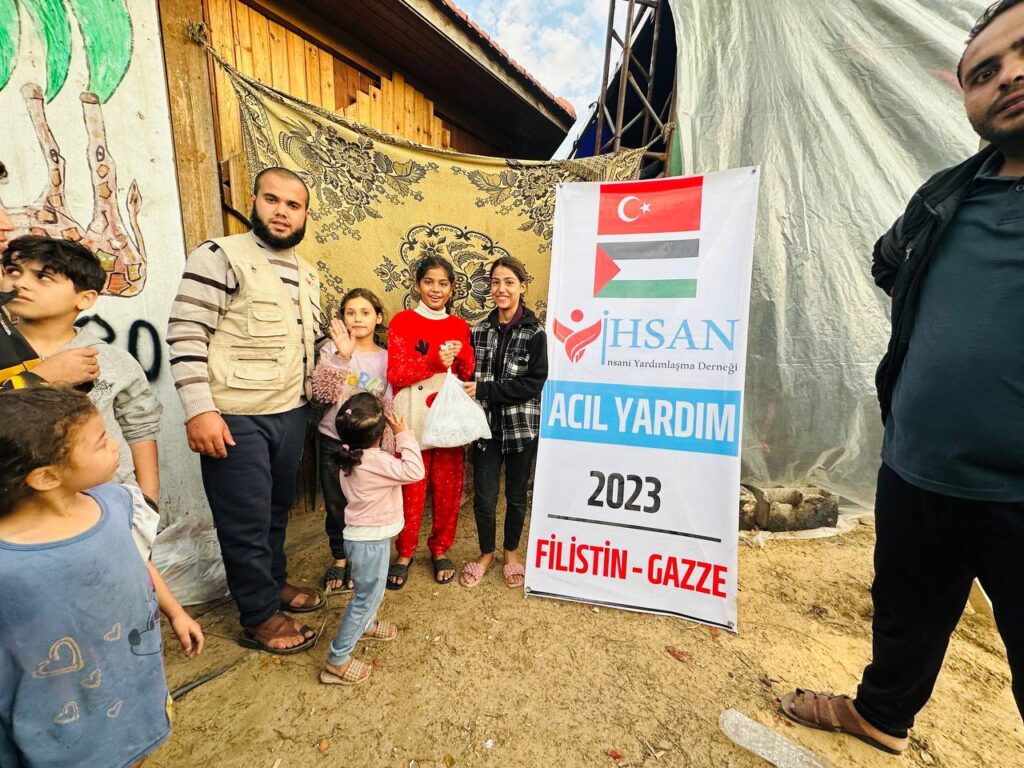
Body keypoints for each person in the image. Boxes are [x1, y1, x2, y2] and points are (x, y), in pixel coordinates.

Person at [781, 0, 1024, 752]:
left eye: (1023, 53)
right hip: (917, 471)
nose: (1008, 77)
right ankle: (881, 718)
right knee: (903, 616)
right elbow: (889, 261)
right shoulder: (945, 194)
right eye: (983, 72)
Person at [0, 386, 204, 768]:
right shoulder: (8, 565)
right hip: (58, 718)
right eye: (100, 442)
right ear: (46, 476)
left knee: (131, 751)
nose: (115, 445)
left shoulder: (115, 504)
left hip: (129, 682)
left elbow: (135, 561)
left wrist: (176, 612)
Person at [167, 166, 325, 654]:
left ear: (305, 214)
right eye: (272, 200)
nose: (282, 212)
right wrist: (199, 410)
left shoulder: (309, 273)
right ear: (254, 201)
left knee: (275, 509)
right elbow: (186, 332)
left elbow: (308, 342)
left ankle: (272, 584)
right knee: (244, 519)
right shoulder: (220, 256)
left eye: (293, 205)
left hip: (290, 411)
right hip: (235, 415)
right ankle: (259, 615)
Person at [1, 236, 163, 506]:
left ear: (85, 298)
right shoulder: (4, 351)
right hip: (18, 509)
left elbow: (140, 429)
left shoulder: (113, 360)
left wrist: (148, 503)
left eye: (43, 277)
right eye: (12, 271)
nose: (20, 283)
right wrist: (41, 378)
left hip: (105, 505)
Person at [320, 393, 423, 685]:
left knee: (368, 593)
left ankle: (365, 626)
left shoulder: (349, 458)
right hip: (370, 544)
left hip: (363, 539)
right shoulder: (376, 462)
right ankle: (337, 660)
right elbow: (415, 471)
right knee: (365, 599)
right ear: (381, 434)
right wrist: (404, 435)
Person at [459, 257, 547, 589]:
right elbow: (467, 373)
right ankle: (487, 553)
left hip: (521, 428)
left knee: (516, 495)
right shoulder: (478, 331)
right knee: (484, 497)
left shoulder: (535, 333)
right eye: (495, 282)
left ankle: (511, 552)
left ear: (522, 286)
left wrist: (486, 390)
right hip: (485, 430)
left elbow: (532, 384)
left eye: (509, 282)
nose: (501, 289)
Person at [386, 256, 474, 588]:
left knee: (448, 489)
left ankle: (440, 548)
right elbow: (396, 373)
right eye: (429, 282)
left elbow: (467, 373)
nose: (436, 289)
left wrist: (464, 355)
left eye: (443, 283)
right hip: (413, 417)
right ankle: (405, 552)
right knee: (411, 488)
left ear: (452, 289)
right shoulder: (403, 321)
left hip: (448, 417)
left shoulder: (459, 326)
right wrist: (433, 361)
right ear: (418, 285)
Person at [311, 288, 393, 594]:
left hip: (368, 447)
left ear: (378, 317)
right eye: (350, 312)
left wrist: (387, 445)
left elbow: (388, 405)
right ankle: (340, 557)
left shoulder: (386, 358)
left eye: (365, 312)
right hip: (333, 440)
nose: (357, 318)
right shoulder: (332, 349)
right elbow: (322, 394)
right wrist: (343, 356)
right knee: (336, 502)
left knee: (365, 505)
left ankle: (361, 562)